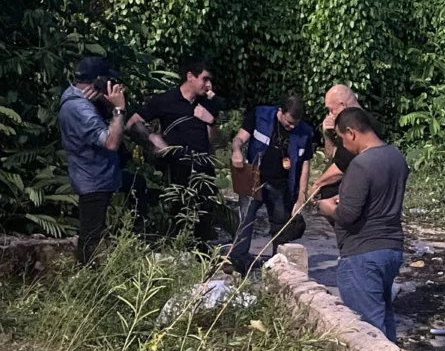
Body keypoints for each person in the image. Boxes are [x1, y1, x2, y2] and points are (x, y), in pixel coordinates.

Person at [318, 108, 409, 342]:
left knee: (368, 331)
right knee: (384, 318)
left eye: (341, 138)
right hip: (390, 248)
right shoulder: (395, 156)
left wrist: (327, 207)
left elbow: (347, 215)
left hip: (362, 254)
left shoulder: (361, 165)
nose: (343, 145)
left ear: (351, 133)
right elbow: (376, 198)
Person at [58, 58, 146, 264]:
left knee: (138, 185)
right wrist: (118, 109)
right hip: (92, 179)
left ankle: (131, 237)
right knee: (90, 235)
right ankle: (87, 277)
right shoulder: (79, 109)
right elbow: (111, 142)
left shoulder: (80, 99)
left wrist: (104, 102)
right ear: (99, 81)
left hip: (105, 174)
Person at [126, 57, 221, 244]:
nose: (208, 85)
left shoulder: (207, 104)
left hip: (204, 170)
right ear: (190, 77)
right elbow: (132, 123)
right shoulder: (165, 100)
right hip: (177, 170)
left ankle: (202, 260)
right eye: (205, 79)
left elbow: (217, 142)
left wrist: (211, 121)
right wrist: (152, 138)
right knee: (178, 217)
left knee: (204, 218)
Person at [228, 94, 314, 273]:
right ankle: (238, 262)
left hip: (282, 186)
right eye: (289, 123)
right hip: (254, 180)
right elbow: (239, 138)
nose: (292, 127)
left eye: (295, 124)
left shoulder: (305, 132)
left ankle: (279, 265)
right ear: (280, 112)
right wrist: (236, 150)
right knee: (245, 220)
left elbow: (305, 164)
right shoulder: (260, 115)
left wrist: (301, 197)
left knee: (280, 225)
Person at [309, 84, 359, 203]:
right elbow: (332, 154)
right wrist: (327, 133)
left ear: (342, 105)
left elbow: (342, 166)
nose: (331, 115)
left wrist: (318, 184)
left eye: (332, 110)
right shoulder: (344, 126)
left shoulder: (358, 127)